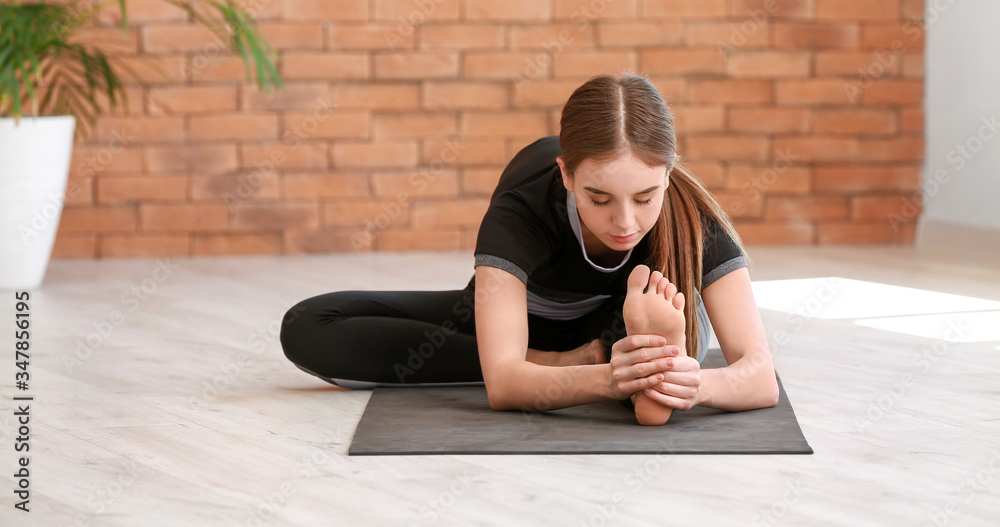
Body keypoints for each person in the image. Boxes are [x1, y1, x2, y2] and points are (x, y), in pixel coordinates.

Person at [280, 72, 779, 425]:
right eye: (598, 199)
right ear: (566, 175)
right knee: (311, 324)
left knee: (679, 314)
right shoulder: (524, 205)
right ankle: (593, 367)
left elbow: (760, 376)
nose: (625, 222)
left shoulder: (694, 216)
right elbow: (501, 386)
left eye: (645, 197)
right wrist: (604, 377)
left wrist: (695, 385)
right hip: (523, 326)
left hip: (614, 330)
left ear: (668, 174)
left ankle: (653, 365)